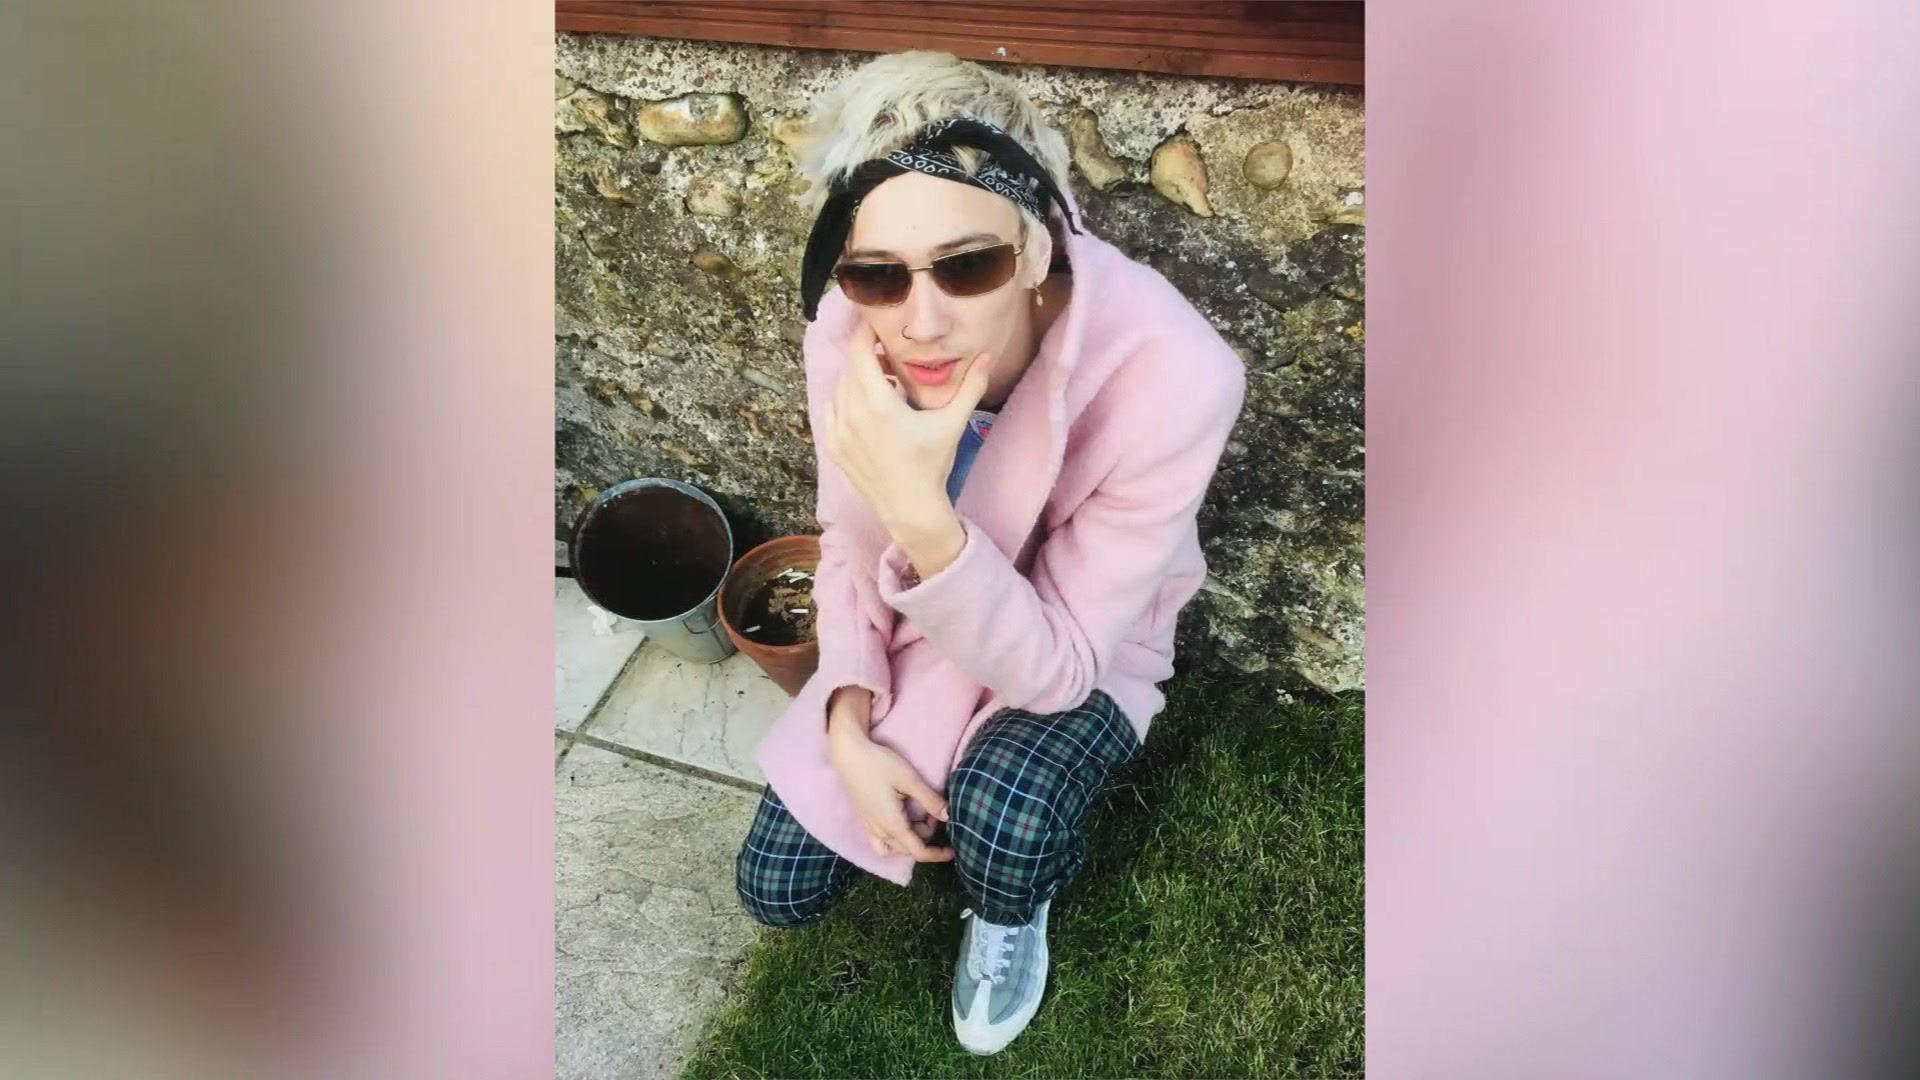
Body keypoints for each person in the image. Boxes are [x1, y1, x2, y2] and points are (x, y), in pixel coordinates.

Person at [735, 50, 1246, 1056]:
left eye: (967, 265)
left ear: (1041, 245)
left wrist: (923, 512)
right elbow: (847, 538)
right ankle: (925, 765)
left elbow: (1056, 668)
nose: (920, 319)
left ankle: (1012, 912)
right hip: (926, 626)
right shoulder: (850, 327)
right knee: (777, 888)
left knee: (1005, 817)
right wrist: (845, 715)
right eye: (878, 270)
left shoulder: (1178, 376)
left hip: (1080, 641)